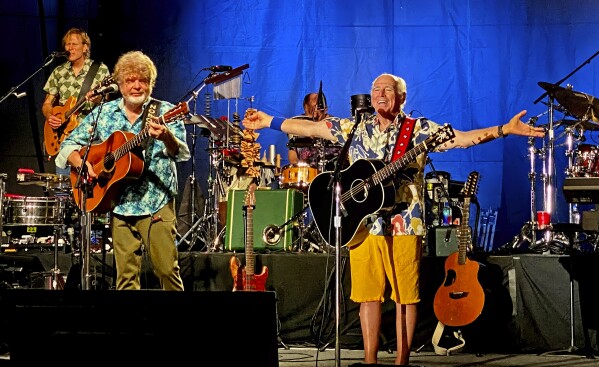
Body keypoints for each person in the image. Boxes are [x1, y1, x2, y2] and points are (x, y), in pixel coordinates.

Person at [242, 73, 545, 365]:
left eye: (386, 89)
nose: (379, 94)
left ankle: (402, 362)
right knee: (367, 297)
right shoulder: (355, 127)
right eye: (375, 90)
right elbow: (310, 129)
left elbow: (463, 139)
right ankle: (370, 361)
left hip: (404, 221)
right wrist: (269, 121)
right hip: (361, 224)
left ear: (401, 97)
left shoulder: (418, 129)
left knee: (404, 297)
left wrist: (504, 129)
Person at [57, 50, 191, 291]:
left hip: (155, 202)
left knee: (167, 271)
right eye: (130, 80)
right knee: (125, 278)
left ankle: (176, 327)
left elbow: (181, 153)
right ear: (119, 84)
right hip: (118, 202)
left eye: (143, 80)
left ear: (151, 84)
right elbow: (66, 146)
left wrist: (166, 136)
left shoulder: (165, 111)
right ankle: (129, 327)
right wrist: (81, 163)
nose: (137, 86)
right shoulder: (103, 113)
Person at [42, 27, 111, 178]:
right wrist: (49, 117)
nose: (69, 48)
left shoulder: (100, 70)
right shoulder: (59, 72)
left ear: (85, 47)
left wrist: (98, 98)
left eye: (74, 44)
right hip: (64, 139)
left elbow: (106, 104)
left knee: (87, 188)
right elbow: (47, 104)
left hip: (89, 139)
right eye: (67, 44)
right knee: (62, 192)